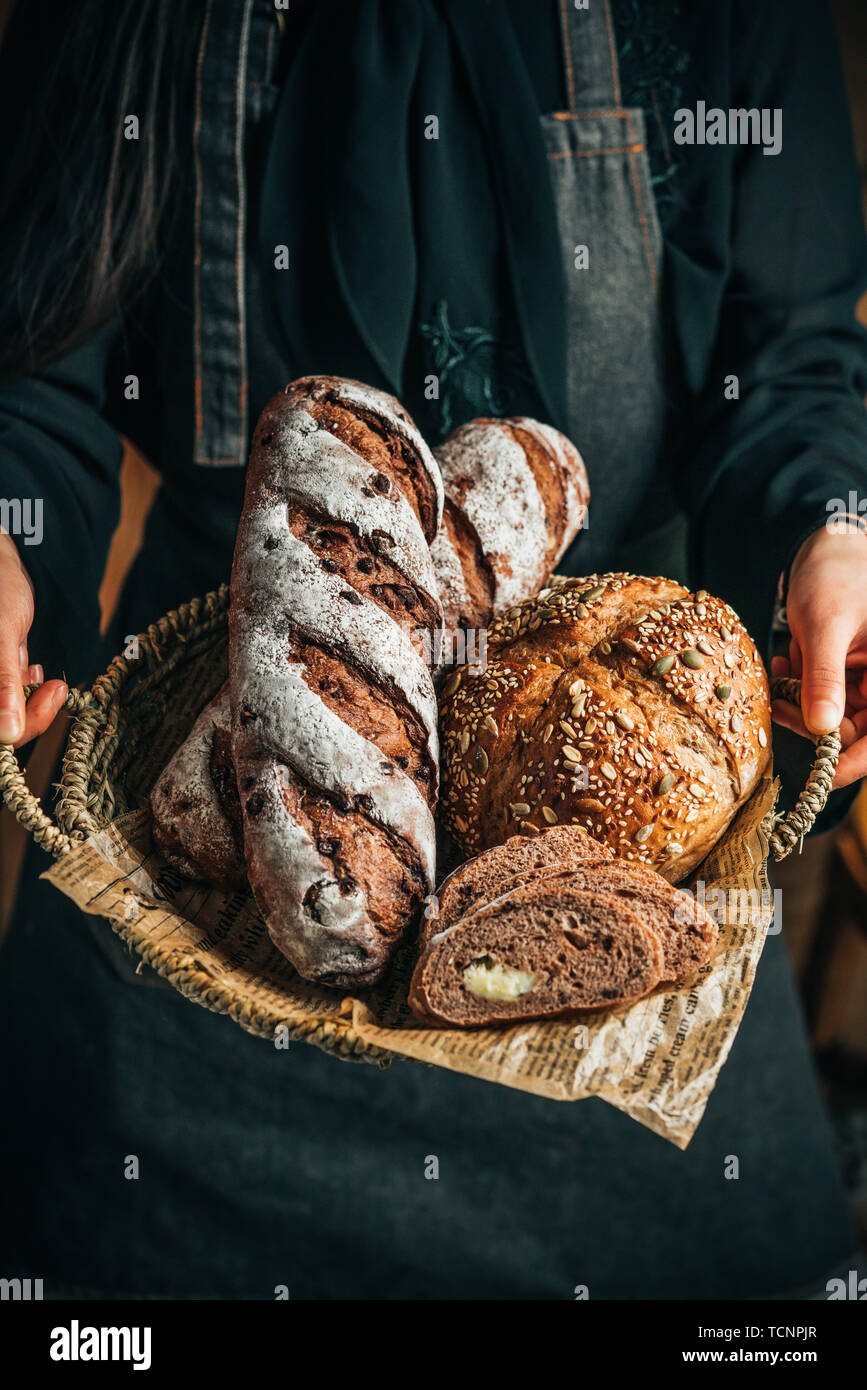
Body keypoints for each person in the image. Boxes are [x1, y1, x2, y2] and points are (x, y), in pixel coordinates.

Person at [1, 0, 866, 1300]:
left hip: (626, 846)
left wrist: (832, 538)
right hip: (211, 800)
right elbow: (35, 362)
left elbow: (790, 356)